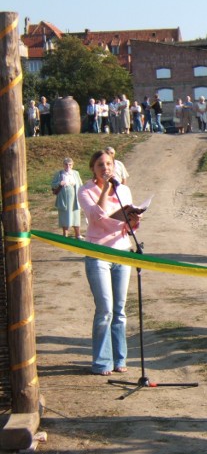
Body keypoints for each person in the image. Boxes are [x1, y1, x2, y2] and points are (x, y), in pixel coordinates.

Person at [78, 150, 143, 375]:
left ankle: (120, 359)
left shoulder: (123, 189)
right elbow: (96, 217)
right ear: (93, 169)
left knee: (119, 309)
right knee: (105, 309)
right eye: (100, 165)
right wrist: (105, 189)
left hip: (122, 252)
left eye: (108, 164)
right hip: (98, 253)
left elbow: (128, 225)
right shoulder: (85, 190)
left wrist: (134, 220)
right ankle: (101, 362)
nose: (105, 168)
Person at [51, 157, 83, 239]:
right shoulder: (59, 174)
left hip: (74, 198)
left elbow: (80, 184)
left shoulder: (76, 173)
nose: (68, 166)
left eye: (70, 164)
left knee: (76, 214)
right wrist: (59, 183)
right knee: (64, 215)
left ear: (72, 165)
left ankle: (78, 234)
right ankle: (65, 234)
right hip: (64, 198)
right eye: (66, 164)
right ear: (63, 165)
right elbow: (53, 184)